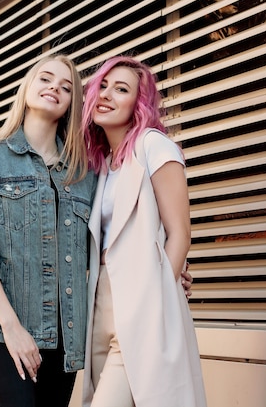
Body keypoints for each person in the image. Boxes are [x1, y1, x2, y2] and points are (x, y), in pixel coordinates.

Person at [0, 54, 194, 407]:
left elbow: (113, 240)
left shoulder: (85, 174)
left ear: (73, 103)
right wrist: (12, 328)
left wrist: (168, 273)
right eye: (45, 79)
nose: (54, 88)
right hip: (5, 328)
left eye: (66, 87)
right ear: (27, 87)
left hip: (67, 335)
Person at [81, 56, 207, 407]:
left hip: (142, 302)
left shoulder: (154, 146)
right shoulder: (101, 165)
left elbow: (180, 232)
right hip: (101, 303)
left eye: (121, 89)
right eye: (102, 86)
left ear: (138, 104)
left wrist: (162, 290)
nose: (106, 94)